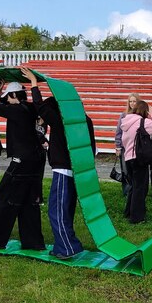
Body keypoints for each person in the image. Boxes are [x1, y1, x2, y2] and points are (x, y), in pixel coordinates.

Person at [20, 66, 96, 259]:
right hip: (77, 170)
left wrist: (34, 84)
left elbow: (40, 106)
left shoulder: (61, 120)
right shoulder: (84, 119)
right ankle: (67, 245)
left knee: (57, 211)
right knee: (66, 210)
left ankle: (67, 248)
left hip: (63, 170)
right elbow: (92, 147)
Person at [0, 74, 46, 251]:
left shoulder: (16, 111)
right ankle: (33, 243)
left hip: (21, 162)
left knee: (4, 199)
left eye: (8, 96)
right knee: (29, 202)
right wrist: (1, 93)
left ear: (14, 95)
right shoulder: (30, 108)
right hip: (36, 160)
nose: (6, 100)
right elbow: (7, 105)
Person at [120, 100, 152, 223]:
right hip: (139, 159)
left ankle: (128, 212)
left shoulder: (126, 121)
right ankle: (137, 217)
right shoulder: (142, 122)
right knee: (140, 188)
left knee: (134, 186)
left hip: (128, 158)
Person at [114, 93, 141, 196]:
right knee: (125, 170)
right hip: (125, 148)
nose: (132, 103)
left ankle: (136, 191)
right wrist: (118, 146)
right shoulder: (124, 115)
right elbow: (119, 132)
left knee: (136, 171)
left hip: (138, 148)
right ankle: (127, 192)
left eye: (134, 101)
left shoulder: (141, 115)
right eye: (130, 101)